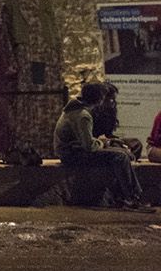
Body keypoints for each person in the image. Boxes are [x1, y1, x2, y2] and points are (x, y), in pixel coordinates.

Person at [54, 82, 152, 212]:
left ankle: (125, 197)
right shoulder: (83, 116)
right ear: (99, 99)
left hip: (71, 151)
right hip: (72, 155)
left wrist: (104, 142)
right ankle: (132, 198)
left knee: (121, 153)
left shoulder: (75, 109)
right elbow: (89, 146)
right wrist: (103, 142)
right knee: (120, 157)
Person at [0, 0, 64, 157]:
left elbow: (55, 33)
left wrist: (59, 58)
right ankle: (29, 144)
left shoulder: (46, 5)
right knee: (31, 99)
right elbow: (5, 35)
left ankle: (50, 142)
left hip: (47, 59)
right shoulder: (12, 6)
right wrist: (11, 61)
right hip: (28, 58)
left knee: (48, 98)